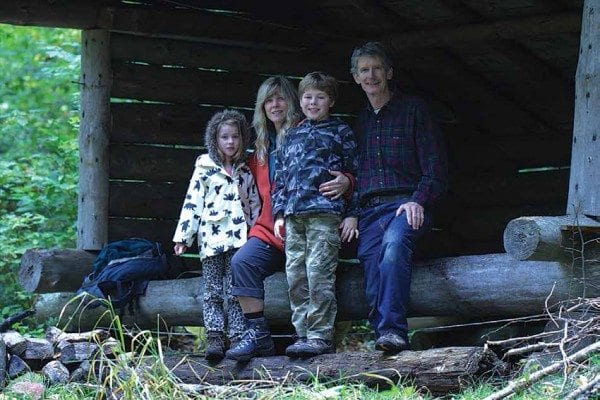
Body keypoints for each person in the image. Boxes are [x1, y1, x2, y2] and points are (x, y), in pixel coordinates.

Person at [226, 76, 351, 361]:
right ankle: (258, 336)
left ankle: (313, 336)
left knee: (314, 274)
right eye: (268, 100)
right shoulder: (259, 147)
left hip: (314, 219)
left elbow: (346, 166)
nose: (275, 105)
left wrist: (348, 183)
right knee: (242, 262)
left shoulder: (311, 132)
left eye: (280, 98)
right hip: (274, 227)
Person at [350, 42, 448, 353]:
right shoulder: (359, 122)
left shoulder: (414, 110)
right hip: (369, 211)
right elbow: (354, 175)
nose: (371, 75)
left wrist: (417, 199)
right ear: (355, 77)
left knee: (392, 248)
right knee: (369, 261)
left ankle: (393, 332)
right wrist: (353, 211)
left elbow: (436, 168)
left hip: (407, 204)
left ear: (389, 72)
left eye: (377, 68)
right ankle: (381, 337)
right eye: (364, 70)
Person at [272, 71, 359, 357]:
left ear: (330, 101)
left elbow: (356, 175)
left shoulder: (340, 132)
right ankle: (302, 334)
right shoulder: (291, 135)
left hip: (325, 214)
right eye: (308, 97)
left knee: (318, 272)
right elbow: (281, 179)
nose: (313, 102)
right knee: (295, 275)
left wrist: (352, 212)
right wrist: (279, 214)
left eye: (319, 97)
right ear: (300, 100)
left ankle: (320, 335)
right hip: (294, 216)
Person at [172, 109, 260, 361]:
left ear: (242, 139)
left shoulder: (245, 170)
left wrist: (255, 234)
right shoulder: (205, 167)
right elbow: (193, 202)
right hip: (211, 240)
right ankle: (214, 336)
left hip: (239, 240)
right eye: (224, 137)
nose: (230, 142)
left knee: (235, 290)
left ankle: (236, 336)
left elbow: (253, 203)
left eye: (235, 137)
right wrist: (183, 237)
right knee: (212, 290)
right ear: (215, 139)